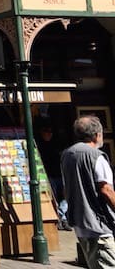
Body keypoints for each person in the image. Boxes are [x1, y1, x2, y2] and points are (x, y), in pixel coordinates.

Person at [60, 115, 115, 269]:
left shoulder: (67, 154)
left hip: (80, 223)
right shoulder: (96, 157)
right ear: (97, 135)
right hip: (99, 225)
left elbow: (66, 189)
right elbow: (106, 190)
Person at [35, 120, 70, 230]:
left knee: (64, 197)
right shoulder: (39, 145)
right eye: (46, 131)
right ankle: (60, 219)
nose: (49, 133)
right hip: (48, 176)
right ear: (41, 132)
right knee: (53, 197)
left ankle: (62, 217)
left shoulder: (57, 143)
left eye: (51, 131)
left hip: (60, 174)